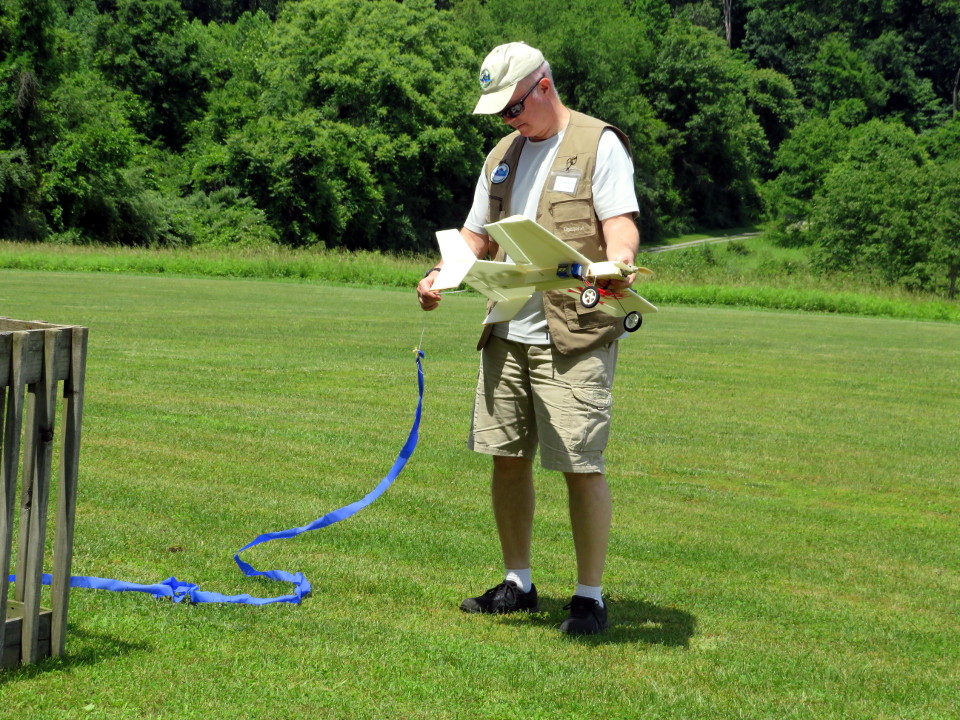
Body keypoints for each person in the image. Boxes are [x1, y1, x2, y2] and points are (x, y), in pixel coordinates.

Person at [416, 42, 641, 635]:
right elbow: (475, 236)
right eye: (500, 114)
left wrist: (618, 262)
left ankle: (589, 597)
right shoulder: (502, 155)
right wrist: (441, 274)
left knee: (579, 463)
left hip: (575, 334)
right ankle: (518, 582)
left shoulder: (599, 144)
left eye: (512, 108)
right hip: (507, 327)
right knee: (506, 459)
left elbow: (621, 228)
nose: (508, 121)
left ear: (543, 86)